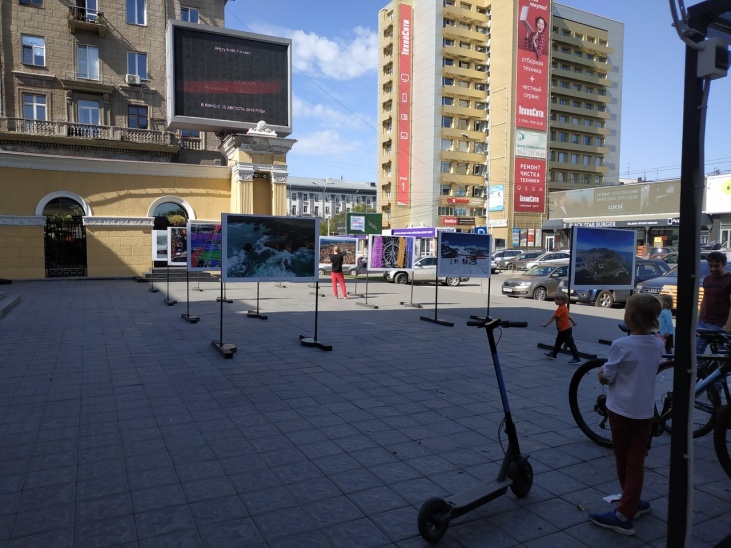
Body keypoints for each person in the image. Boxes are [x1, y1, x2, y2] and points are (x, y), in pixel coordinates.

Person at [588, 294, 664, 536]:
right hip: (644, 411)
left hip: (621, 410)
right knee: (637, 460)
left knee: (622, 458)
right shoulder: (658, 343)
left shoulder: (621, 344)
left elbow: (607, 376)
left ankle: (623, 515)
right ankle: (633, 501)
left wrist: (600, 373)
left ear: (629, 316)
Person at [697, 251, 731, 353]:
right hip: (704, 322)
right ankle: (700, 369)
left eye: (716, 266)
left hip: (720, 324)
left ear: (724, 265)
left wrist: (728, 326)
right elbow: (705, 300)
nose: (713, 269)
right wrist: (699, 319)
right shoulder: (707, 279)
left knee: (722, 357)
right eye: (710, 265)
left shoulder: (729, 280)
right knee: (695, 352)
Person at [541, 291, 581, 364]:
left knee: (570, 344)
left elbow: (553, 317)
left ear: (563, 301)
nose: (555, 300)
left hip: (565, 330)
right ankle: (553, 354)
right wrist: (573, 322)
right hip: (563, 330)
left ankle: (576, 358)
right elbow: (568, 316)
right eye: (555, 299)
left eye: (557, 299)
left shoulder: (561, 308)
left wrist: (546, 324)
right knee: (558, 343)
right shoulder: (563, 308)